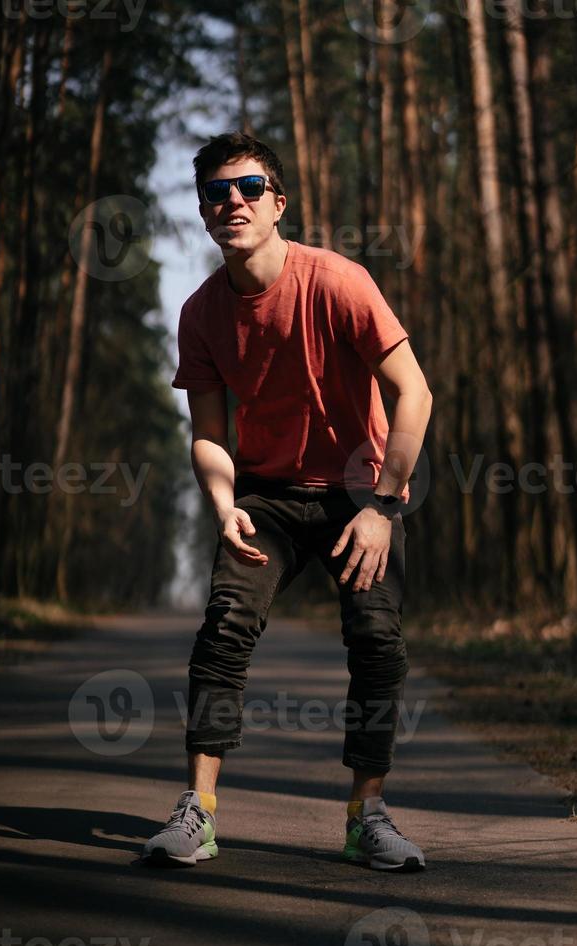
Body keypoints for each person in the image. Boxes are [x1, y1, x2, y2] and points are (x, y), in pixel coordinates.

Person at [142, 131, 432, 872]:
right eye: (215, 192)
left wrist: (383, 506)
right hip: (265, 494)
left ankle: (368, 816)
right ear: (205, 212)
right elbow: (209, 436)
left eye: (247, 188)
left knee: (377, 641)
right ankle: (197, 813)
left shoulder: (337, 280)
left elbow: (413, 392)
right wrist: (222, 502)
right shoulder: (203, 313)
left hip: (361, 488)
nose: (231, 202)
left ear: (277, 202)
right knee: (225, 626)